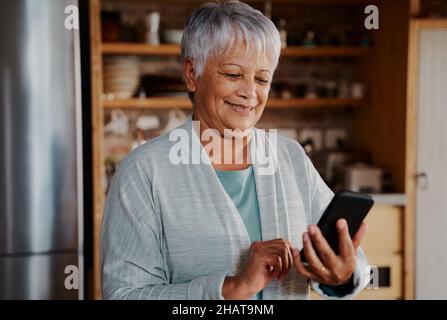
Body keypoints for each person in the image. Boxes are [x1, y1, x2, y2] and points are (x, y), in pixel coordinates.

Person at [101, 0, 370, 300]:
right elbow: (124, 295)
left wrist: (344, 273)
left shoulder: (291, 158)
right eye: (232, 74)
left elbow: (349, 260)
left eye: (262, 79)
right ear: (192, 74)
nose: (250, 93)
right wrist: (230, 288)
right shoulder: (143, 172)